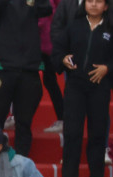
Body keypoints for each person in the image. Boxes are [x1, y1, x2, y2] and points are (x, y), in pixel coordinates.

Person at [54, 0, 113, 177]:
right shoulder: (74, 26)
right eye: (90, 1)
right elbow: (58, 50)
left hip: (99, 87)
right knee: (72, 133)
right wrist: (63, 59)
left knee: (97, 134)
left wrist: (107, 68)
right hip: (75, 86)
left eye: (99, 1)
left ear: (106, 6)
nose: (94, 4)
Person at [0, 0, 52, 157]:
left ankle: (22, 162)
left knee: (24, 122)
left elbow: (46, 9)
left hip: (29, 66)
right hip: (2, 65)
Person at [38, 0, 64, 134]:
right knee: (48, 81)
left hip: (46, 43)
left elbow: (47, 15)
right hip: (42, 43)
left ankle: (63, 118)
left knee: (49, 81)